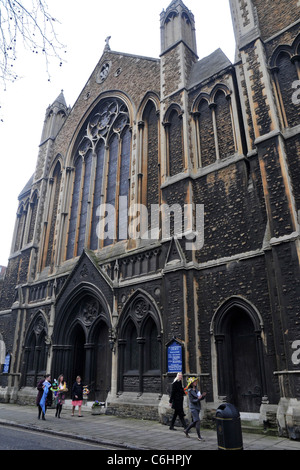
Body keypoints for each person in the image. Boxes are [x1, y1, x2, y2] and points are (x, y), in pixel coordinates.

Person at [183, 376, 206, 441]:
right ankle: (199, 437)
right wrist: (198, 399)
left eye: (196, 381)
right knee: (198, 421)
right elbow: (192, 401)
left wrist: (203, 396)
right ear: (191, 383)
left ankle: (186, 430)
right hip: (193, 408)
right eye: (194, 381)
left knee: (194, 421)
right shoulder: (190, 391)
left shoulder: (197, 389)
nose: (196, 382)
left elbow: (200, 398)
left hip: (198, 407)